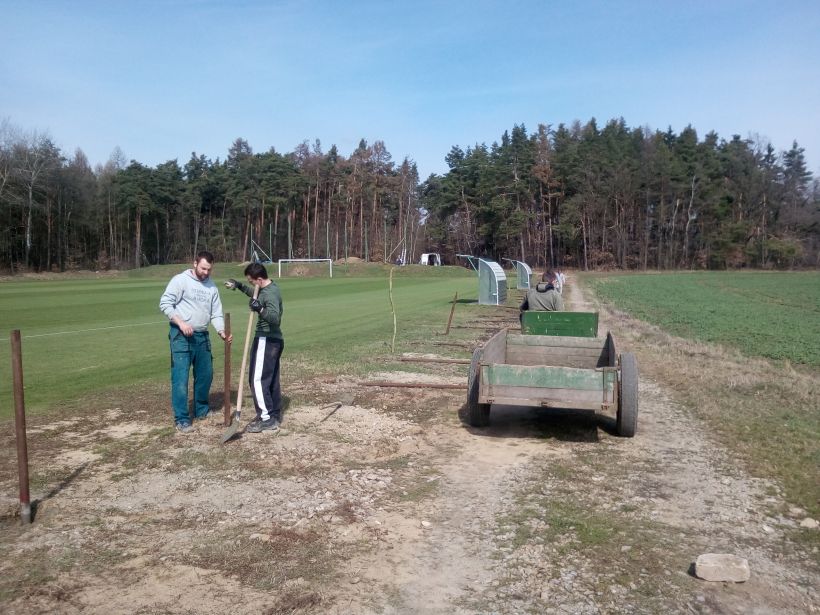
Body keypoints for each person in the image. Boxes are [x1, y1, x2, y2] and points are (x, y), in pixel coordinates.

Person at [159, 251, 232, 434]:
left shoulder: (212, 287)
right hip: (181, 336)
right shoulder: (180, 280)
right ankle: (182, 419)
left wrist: (221, 331)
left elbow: (216, 313)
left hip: (202, 336)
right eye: (203, 268)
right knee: (180, 379)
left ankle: (201, 410)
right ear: (195, 263)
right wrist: (181, 323)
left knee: (206, 375)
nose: (206, 272)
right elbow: (165, 303)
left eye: (209, 269)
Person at [225, 263, 284, 433]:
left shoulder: (270, 293)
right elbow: (255, 294)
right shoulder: (266, 289)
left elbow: (275, 318)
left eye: (251, 281)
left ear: (259, 279)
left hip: (267, 339)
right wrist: (239, 286)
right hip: (273, 340)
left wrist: (260, 308)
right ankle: (273, 414)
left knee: (257, 379)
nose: (251, 284)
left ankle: (266, 418)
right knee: (270, 380)